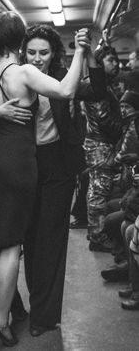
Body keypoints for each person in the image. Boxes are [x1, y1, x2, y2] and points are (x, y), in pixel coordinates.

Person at [0, 23, 106, 338]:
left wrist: (89, 56)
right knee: (18, 239)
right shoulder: (15, 74)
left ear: (53, 53)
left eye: (43, 52)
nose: (37, 57)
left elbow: (96, 89)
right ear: (22, 50)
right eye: (31, 51)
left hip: (56, 165)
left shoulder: (59, 76)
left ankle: (43, 317)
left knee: (48, 243)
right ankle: (13, 308)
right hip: (23, 165)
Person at [83, 45, 123, 251]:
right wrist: (124, 129)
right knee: (99, 191)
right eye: (110, 60)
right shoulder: (96, 86)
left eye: (116, 60)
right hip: (100, 144)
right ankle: (97, 237)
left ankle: (98, 233)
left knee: (98, 189)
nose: (116, 64)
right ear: (99, 63)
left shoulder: (102, 85)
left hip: (98, 142)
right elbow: (104, 119)